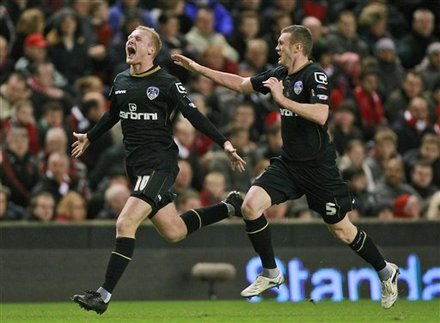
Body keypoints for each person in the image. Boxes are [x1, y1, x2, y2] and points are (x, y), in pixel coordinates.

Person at [173, 24, 399, 309]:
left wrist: (281, 99)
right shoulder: (279, 74)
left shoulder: (315, 75)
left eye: (282, 43)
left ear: (298, 48)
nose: (277, 47)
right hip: (289, 164)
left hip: (319, 169)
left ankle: (384, 271)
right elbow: (242, 84)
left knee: (342, 231)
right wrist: (197, 68)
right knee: (250, 206)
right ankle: (271, 272)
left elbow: (320, 114)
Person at [71, 26, 246, 315]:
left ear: (152, 50)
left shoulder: (166, 83)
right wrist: (90, 136)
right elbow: (113, 114)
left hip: (160, 164)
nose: (131, 40)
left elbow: (193, 114)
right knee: (174, 231)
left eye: (138, 39)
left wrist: (224, 143)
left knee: (125, 223)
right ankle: (230, 207)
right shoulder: (121, 80)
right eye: (129, 37)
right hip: (137, 167)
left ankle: (102, 295)